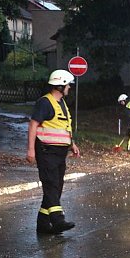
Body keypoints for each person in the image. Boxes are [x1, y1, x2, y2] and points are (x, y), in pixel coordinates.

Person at [27, 69, 80, 235]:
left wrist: (72, 144)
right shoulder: (45, 102)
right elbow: (33, 125)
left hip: (59, 153)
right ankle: (58, 220)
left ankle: (43, 224)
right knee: (51, 185)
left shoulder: (61, 103)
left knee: (56, 187)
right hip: (46, 151)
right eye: (68, 85)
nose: (69, 87)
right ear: (60, 85)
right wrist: (30, 150)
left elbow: (63, 126)